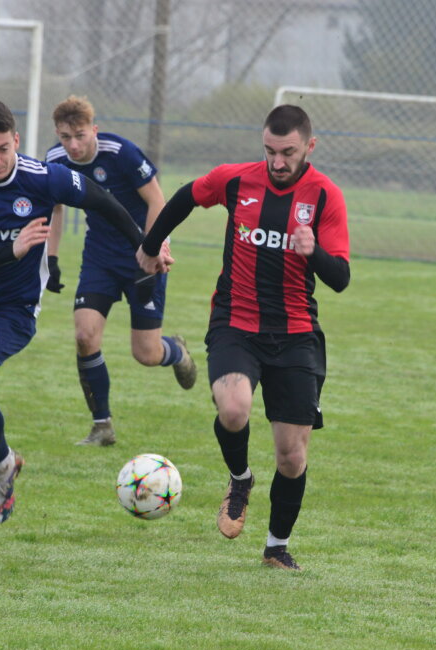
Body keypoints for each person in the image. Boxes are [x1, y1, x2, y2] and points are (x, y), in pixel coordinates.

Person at [137, 104, 351, 570]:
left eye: (288, 152)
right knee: (233, 409)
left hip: (296, 335)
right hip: (236, 322)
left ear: (309, 147)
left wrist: (313, 252)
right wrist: (150, 246)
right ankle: (240, 478)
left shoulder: (326, 196)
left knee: (292, 456)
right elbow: (186, 197)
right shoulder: (236, 180)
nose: (277, 162)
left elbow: (341, 279)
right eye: (270, 151)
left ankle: (276, 547)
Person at [0, 99, 150, 523]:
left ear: (16, 141)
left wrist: (143, 243)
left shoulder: (43, 177)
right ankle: (5, 464)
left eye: (2, 149)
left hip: (14, 307)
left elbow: (102, 200)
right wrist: (12, 247)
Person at [45, 95, 195, 448]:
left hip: (143, 255)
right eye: (65, 137)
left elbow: (158, 201)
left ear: (94, 130)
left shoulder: (121, 152)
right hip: (99, 257)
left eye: (80, 135)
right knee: (84, 336)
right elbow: (53, 210)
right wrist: (49, 259)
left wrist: (153, 247)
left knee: (146, 353)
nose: (73, 145)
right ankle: (102, 427)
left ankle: (176, 351)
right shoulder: (54, 160)